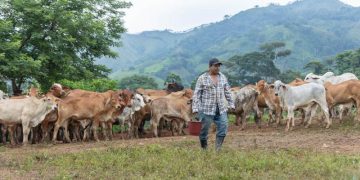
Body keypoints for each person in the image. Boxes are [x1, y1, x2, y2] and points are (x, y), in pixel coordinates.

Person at [192, 58, 235, 151]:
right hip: (206, 109)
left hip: (221, 108)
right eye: (215, 66)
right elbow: (197, 94)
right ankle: (204, 150)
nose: (217, 68)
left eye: (219, 66)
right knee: (203, 131)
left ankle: (218, 150)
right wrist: (195, 108)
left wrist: (231, 104)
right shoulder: (202, 78)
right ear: (210, 67)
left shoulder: (223, 77)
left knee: (223, 127)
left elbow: (227, 92)